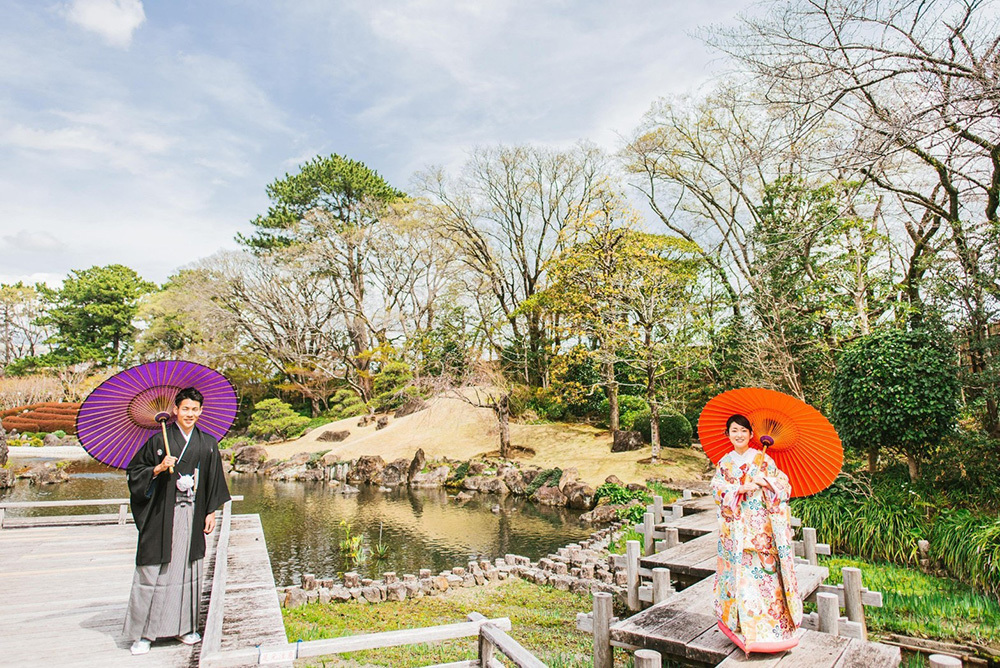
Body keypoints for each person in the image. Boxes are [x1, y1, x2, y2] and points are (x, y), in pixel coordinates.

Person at [123, 387, 231, 655]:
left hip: (193, 514)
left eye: (195, 410)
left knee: (188, 570)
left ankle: (184, 628)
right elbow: (134, 473)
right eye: (185, 409)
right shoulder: (159, 441)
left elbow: (214, 480)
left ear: (201, 411)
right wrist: (157, 468)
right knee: (153, 570)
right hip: (162, 513)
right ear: (175, 410)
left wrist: (211, 511)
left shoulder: (207, 443)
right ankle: (144, 634)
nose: (190, 414)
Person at [711, 414, 802, 653]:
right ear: (727, 434)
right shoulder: (724, 463)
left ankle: (773, 629)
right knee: (742, 579)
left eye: (743, 430)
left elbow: (784, 488)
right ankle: (743, 627)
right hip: (737, 531)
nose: (739, 435)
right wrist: (738, 488)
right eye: (734, 430)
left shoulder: (765, 460)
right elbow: (717, 490)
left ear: (751, 435)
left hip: (762, 529)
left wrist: (767, 483)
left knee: (767, 578)